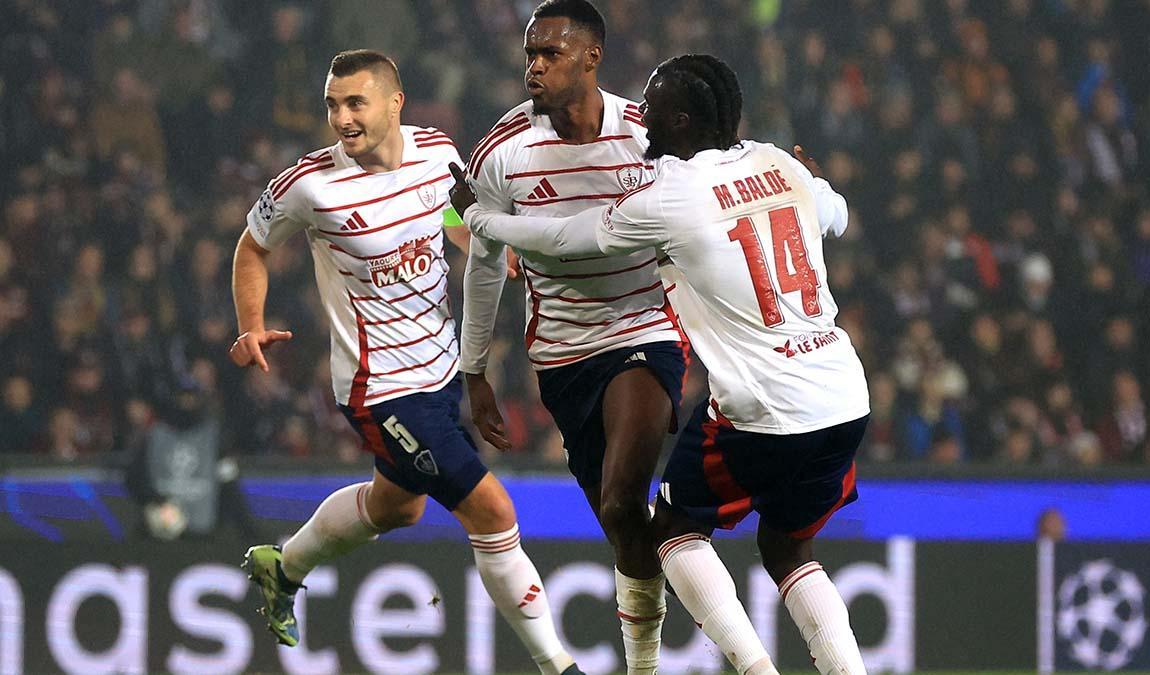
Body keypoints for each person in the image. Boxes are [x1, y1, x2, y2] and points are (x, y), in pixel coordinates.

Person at [451, 54, 871, 675]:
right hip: (842, 395)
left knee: (671, 531)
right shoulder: (779, 163)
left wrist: (481, 217)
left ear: (680, 119)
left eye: (654, 108)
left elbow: (572, 238)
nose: (641, 119)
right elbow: (834, 212)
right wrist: (810, 182)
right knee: (789, 551)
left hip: (764, 405)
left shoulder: (670, 195)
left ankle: (755, 669)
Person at [230, 49, 581, 675]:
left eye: (355, 103)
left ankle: (281, 568)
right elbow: (252, 246)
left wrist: (495, 253)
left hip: (441, 369)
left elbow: (451, 217)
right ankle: (559, 665)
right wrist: (250, 325)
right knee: (493, 511)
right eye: (332, 105)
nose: (341, 117)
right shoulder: (311, 185)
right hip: (381, 387)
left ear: (396, 103)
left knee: (399, 506)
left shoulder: (438, 150)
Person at [462, 1, 684, 670]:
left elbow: (701, 216)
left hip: (646, 328)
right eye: (530, 53)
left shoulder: (652, 133)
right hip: (562, 356)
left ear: (592, 57)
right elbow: (482, 259)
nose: (535, 65)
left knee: (622, 495)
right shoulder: (502, 151)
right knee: (621, 522)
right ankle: (679, 540)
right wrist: (474, 369)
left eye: (550, 53)